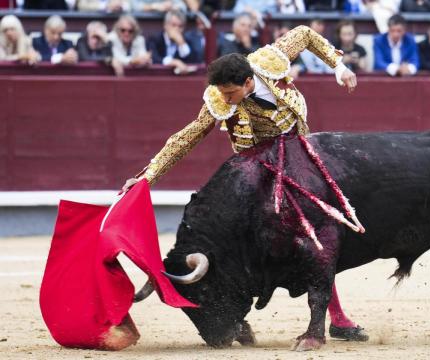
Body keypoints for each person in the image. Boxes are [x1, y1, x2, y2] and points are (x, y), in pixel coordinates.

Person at [120, 24, 368, 343]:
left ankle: (336, 317)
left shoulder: (269, 59)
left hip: (295, 151)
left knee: (310, 231)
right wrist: (147, 176)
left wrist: (338, 65)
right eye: (222, 94)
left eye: (231, 93)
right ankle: (231, 318)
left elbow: (305, 34)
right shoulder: (219, 98)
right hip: (254, 164)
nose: (225, 100)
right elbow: (186, 138)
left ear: (248, 81)